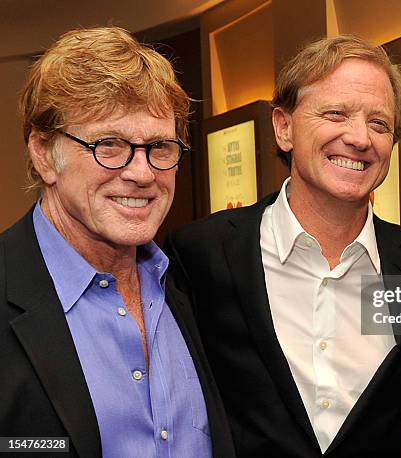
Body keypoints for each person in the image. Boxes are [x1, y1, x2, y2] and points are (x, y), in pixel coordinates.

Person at [166, 35, 401, 457]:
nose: (359, 138)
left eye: (379, 123)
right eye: (336, 114)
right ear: (283, 127)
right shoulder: (202, 254)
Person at [0, 27, 234, 457]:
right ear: (42, 152)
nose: (142, 173)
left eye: (160, 147)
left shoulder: (186, 284)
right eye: (110, 145)